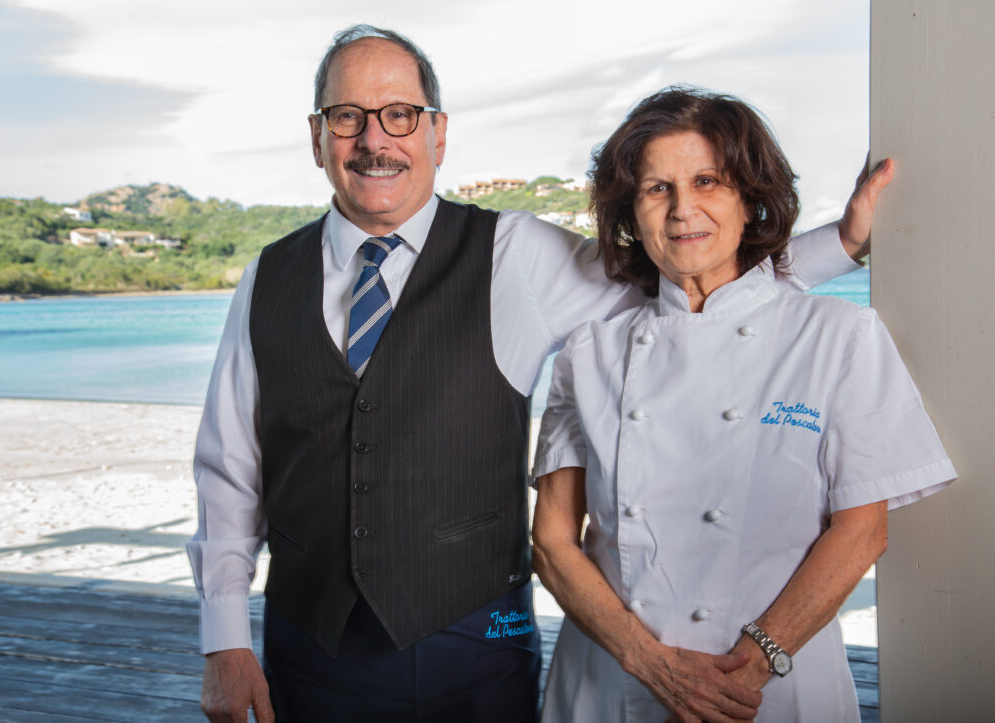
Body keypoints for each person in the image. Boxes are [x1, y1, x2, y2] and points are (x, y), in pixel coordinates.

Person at [188, 25, 887, 723]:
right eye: (348, 116)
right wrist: (224, 638)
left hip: (476, 651)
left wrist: (841, 243)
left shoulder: (514, 254)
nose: (375, 139)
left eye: (399, 114)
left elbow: (685, 270)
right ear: (318, 137)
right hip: (309, 650)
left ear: (437, 133)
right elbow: (230, 468)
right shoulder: (266, 278)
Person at [530, 86, 956, 723]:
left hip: (770, 687)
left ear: (751, 199)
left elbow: (862, 531)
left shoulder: (838, 337)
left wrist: (745, 671)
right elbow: (552, 542)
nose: (683, 210)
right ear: (630, 213)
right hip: (614, 680)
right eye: (657, 189)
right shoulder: (587, 354)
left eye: (707, 181)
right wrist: (652, 664)